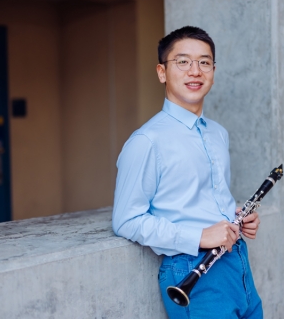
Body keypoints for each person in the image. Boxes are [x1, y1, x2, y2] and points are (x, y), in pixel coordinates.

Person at [112, 26, 263, 318]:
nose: (195, 71)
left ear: (213, 71)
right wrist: (198, 236)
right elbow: (126, 220)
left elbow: (206, 198)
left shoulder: (219, 134)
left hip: (237, 262)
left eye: (204, 62)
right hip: (189, 268)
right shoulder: (146, 141)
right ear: (162, 72)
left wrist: (237, 215)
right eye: (183, 61)